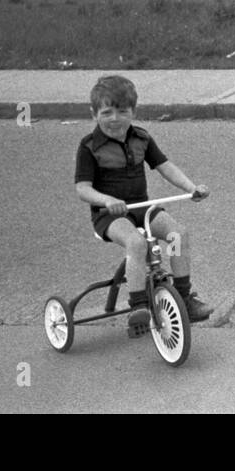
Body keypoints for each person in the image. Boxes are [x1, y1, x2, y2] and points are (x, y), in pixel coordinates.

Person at [74, 75, 213, 330]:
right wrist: (108, 200)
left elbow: (165, 167)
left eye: (122, 111)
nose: (115, 118)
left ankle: (184, 297)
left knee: (178, 234)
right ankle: (138, 308)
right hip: (109, 215)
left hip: (142, 208)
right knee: (137, 243)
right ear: (93, 114)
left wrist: (191, 188)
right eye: (106, 112)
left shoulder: (141, 138)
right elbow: (83, 189)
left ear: (133, 112)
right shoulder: (89, 147)